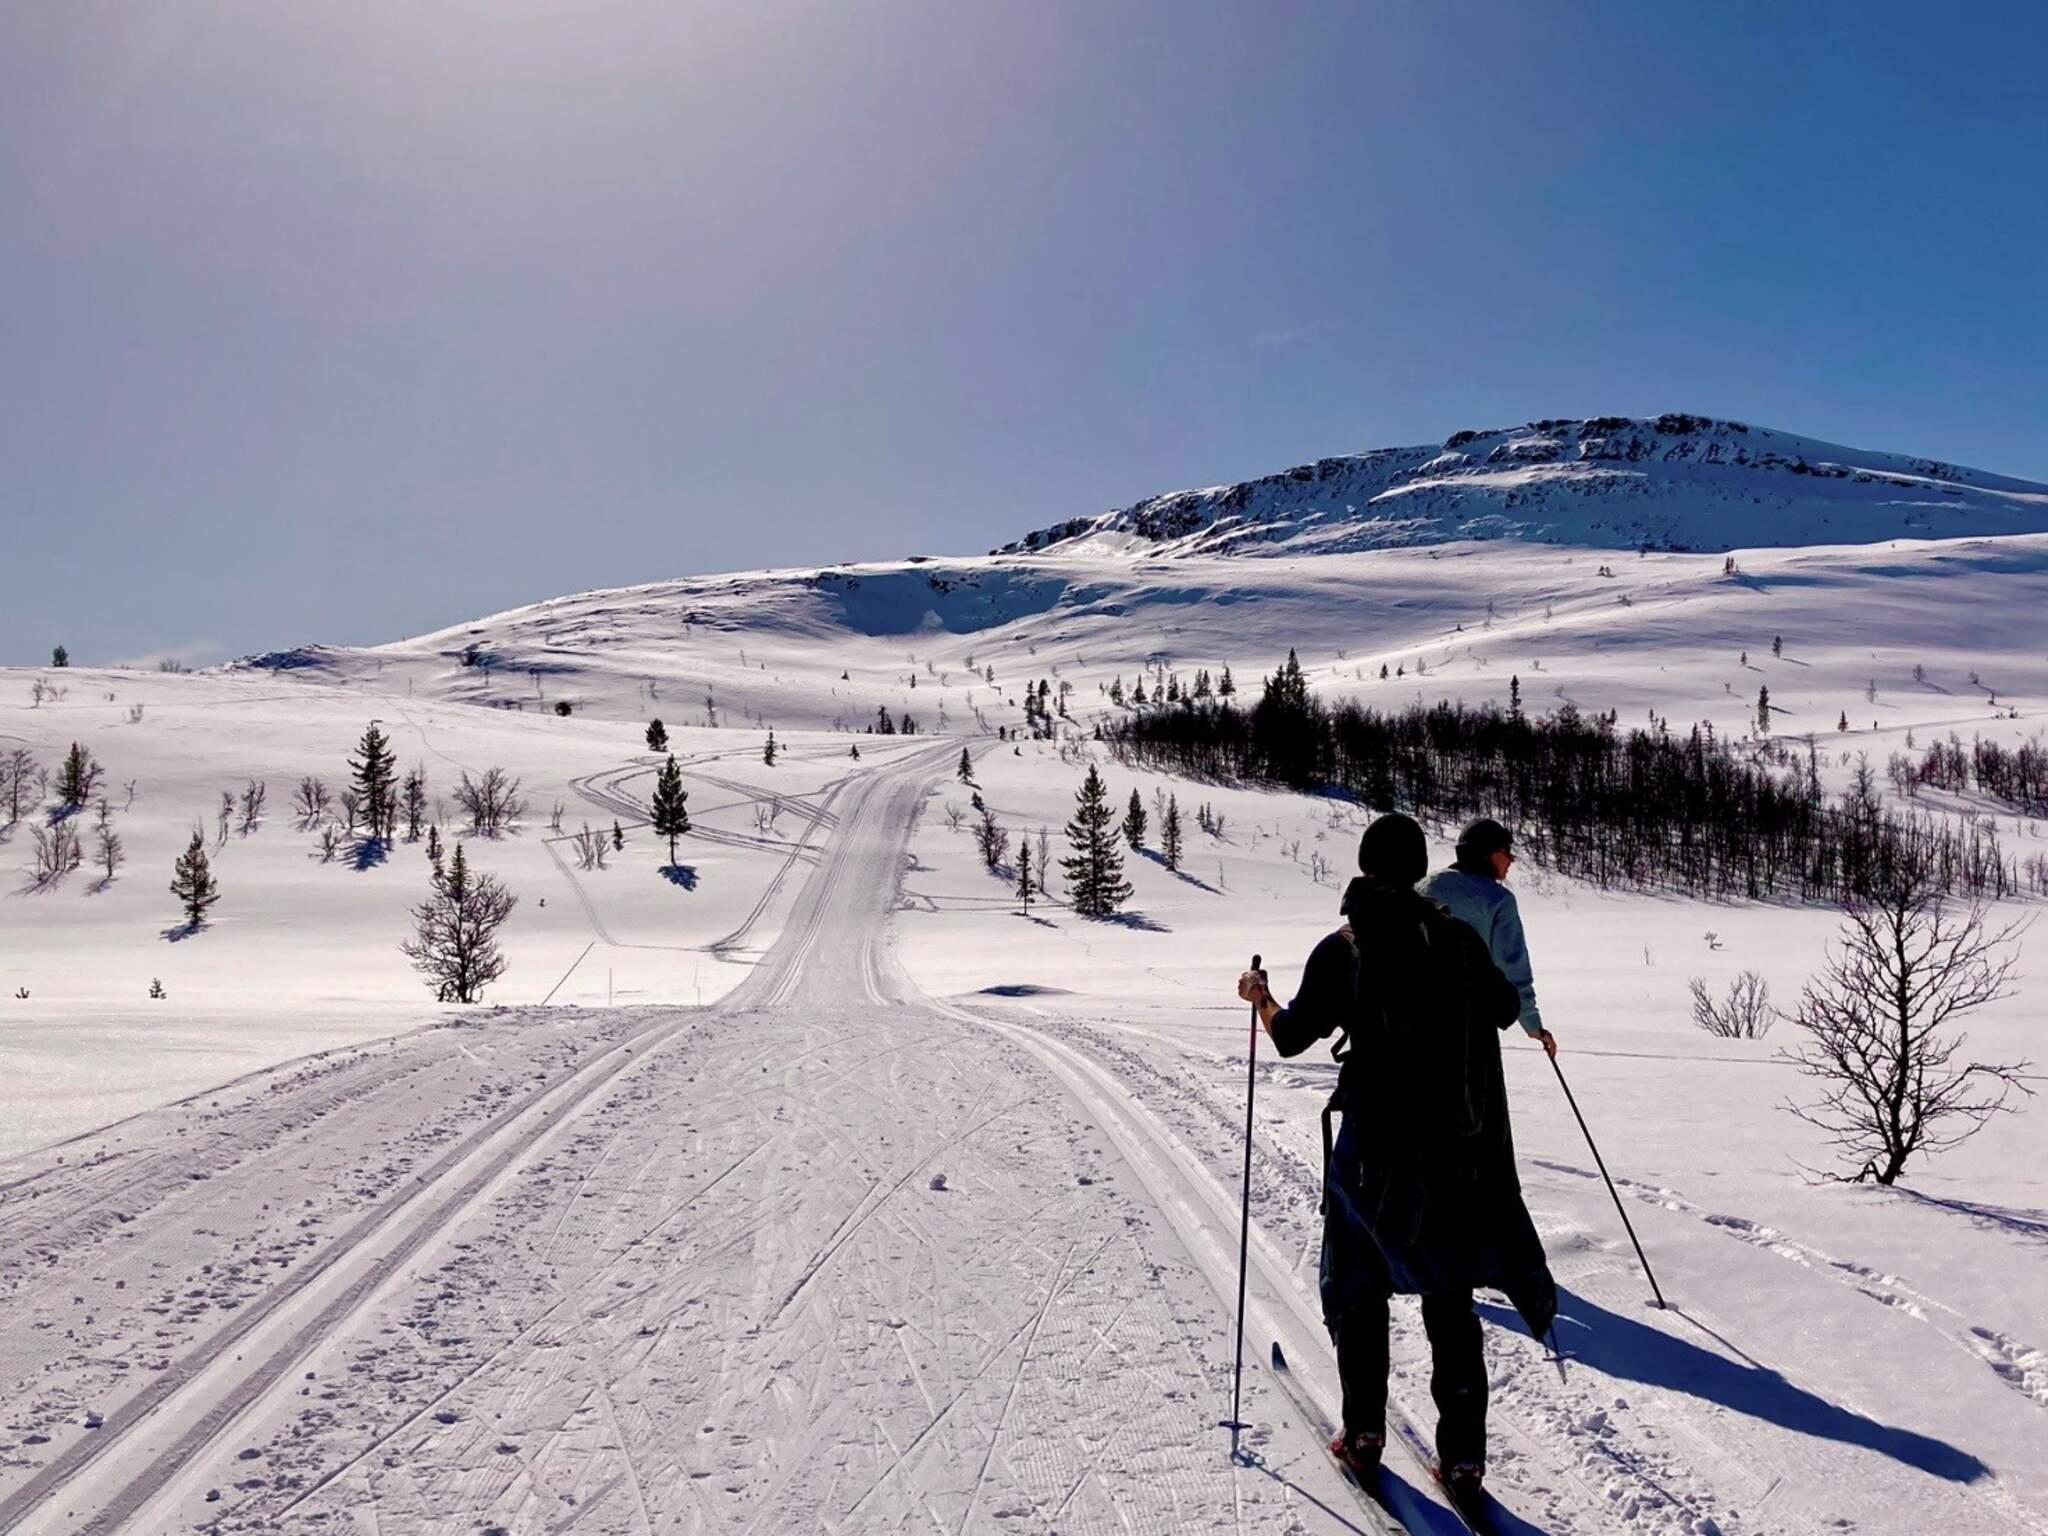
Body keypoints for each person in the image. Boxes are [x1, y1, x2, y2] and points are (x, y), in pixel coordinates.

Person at [1237, 812, 1556, 1505]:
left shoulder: (1345, 947)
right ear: (1419, 870)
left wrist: (1262, 999)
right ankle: (1464, 1460)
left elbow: (1291, 1037)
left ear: (1365, 865)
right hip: (1453, 1148)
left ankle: (1363, 1435)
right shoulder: (1459, 939)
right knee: (1450, 1295)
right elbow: (1504, 1007)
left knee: (1358, 1289)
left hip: (1372, 1149)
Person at [1422, 818, 1556, 1059]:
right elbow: (1512, 966)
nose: (1511, 859)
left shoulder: (1425, 885)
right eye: (1506, 851)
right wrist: (1533, 1024)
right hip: (1467, 1024)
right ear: (1486, 854)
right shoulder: (1497, 900)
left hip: (1411, 1021)